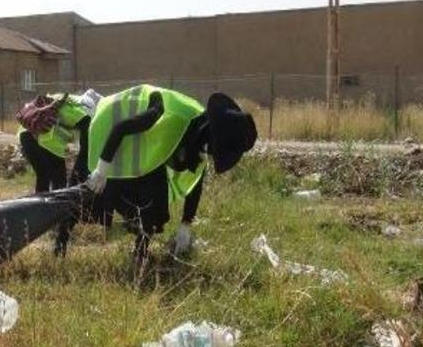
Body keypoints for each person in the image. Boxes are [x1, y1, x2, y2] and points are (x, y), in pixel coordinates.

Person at [82, 85, 257, 269]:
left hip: (144, 155)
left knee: (156, 210)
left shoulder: (201, 136)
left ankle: (140, 255)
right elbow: (120, 128)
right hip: (106, 128)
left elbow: (196, 180)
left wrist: (186, 225)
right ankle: (60, 241)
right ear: (210, 135)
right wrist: (102, 170)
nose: (210, 156)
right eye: (214, 151)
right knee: (95, 204)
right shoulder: (168, 115)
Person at [15, 89, 104, 255]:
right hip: (48, 141)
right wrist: (84, 176)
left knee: (42, 176)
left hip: (25, 134)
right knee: (61, 187)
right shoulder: (85, 115)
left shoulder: (66, 100)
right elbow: (86, 152)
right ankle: (57, 226)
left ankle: (38, 220)